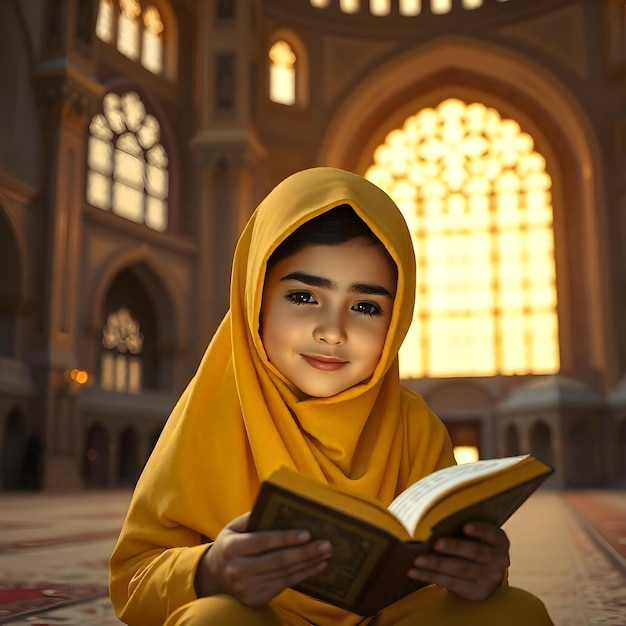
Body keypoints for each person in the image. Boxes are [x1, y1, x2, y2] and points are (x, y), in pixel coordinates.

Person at [109, 167, 553, 626]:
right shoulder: (208, 416)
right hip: (262, 621)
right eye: (303, 297)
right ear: (255, 299)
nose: (332, 332)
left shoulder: (412, 425)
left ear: (396, 319)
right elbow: (133, 581)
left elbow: (441, 580)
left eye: (365, 307)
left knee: (517, 614)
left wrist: (481, 573)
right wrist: (210, 570)